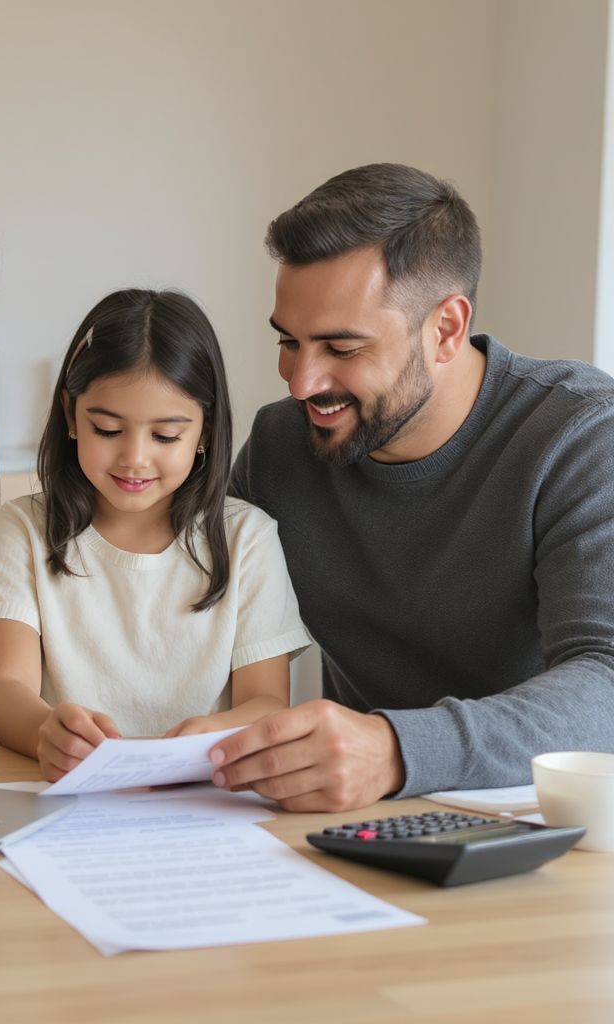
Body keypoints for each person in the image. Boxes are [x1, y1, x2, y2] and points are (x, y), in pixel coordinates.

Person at [210, 162, 614, 811]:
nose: (300, 382)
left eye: (341, 349)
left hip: (541, 828)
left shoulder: (581, 437)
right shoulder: (281, 449)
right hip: (354, 827)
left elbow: (607, 681)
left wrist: (399, 749)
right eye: (289, 341)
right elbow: (199, 627)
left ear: (446, 329)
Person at [0, 289, 309, 780]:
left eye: (166, 436)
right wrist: (47, 731)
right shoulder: (25, 529)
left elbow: (268, 703)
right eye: (107, 429)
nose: (134, 457)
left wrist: (214, 733)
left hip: (200, 802)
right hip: (62, 801)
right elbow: (4, 690)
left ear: (205, 432)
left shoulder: (247, 539)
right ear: (71, 415)